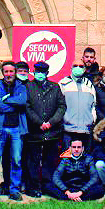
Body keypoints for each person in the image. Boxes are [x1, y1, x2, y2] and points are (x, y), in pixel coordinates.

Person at [23, 60, 66, 197]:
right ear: (34, 72)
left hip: (52, 131)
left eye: (42, 72)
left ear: (47, 73)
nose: (40, 74)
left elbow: (62, 106)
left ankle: (47, 187)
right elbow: (27, 107)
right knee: (33, 161)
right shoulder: (28, 87)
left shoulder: (55, 87)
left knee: (49, 160)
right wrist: (39, 122)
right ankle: (33, 187)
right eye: (37, 71)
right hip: (34, 131)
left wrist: (51, 122)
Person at [0, 61, 27, 200]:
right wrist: (13, 104)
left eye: (11, 71)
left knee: (16, 160)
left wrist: (5, 100)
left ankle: (14, 190)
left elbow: (22, 101)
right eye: (6, 71)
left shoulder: (21, 87)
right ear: (3, 73)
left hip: (17, 129)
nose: (9, 74)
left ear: (15, 72)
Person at [46, 135, 105, 201]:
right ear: (70, 148)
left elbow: (94, 177)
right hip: (68, 187)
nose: (76, 149)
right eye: (74, 147)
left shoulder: (89, 159)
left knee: (100, 189)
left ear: (82, 148)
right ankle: (73, 197)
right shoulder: (65, 159)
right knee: (48, 186)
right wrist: (67, 192)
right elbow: (56, 176)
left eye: (79, 147)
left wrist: (81, 192)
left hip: (84, 188)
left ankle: (71, 198)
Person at [60, 61, 97, 143]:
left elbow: (93, 106)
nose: (78, 68)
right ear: (71, 68)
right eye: (75, 66)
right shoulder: (63, 84)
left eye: (81, 66)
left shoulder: (89, 84)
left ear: (84, 69)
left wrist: (92, 120)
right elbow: (59, 106)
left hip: (86, 130)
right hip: (68, 131)